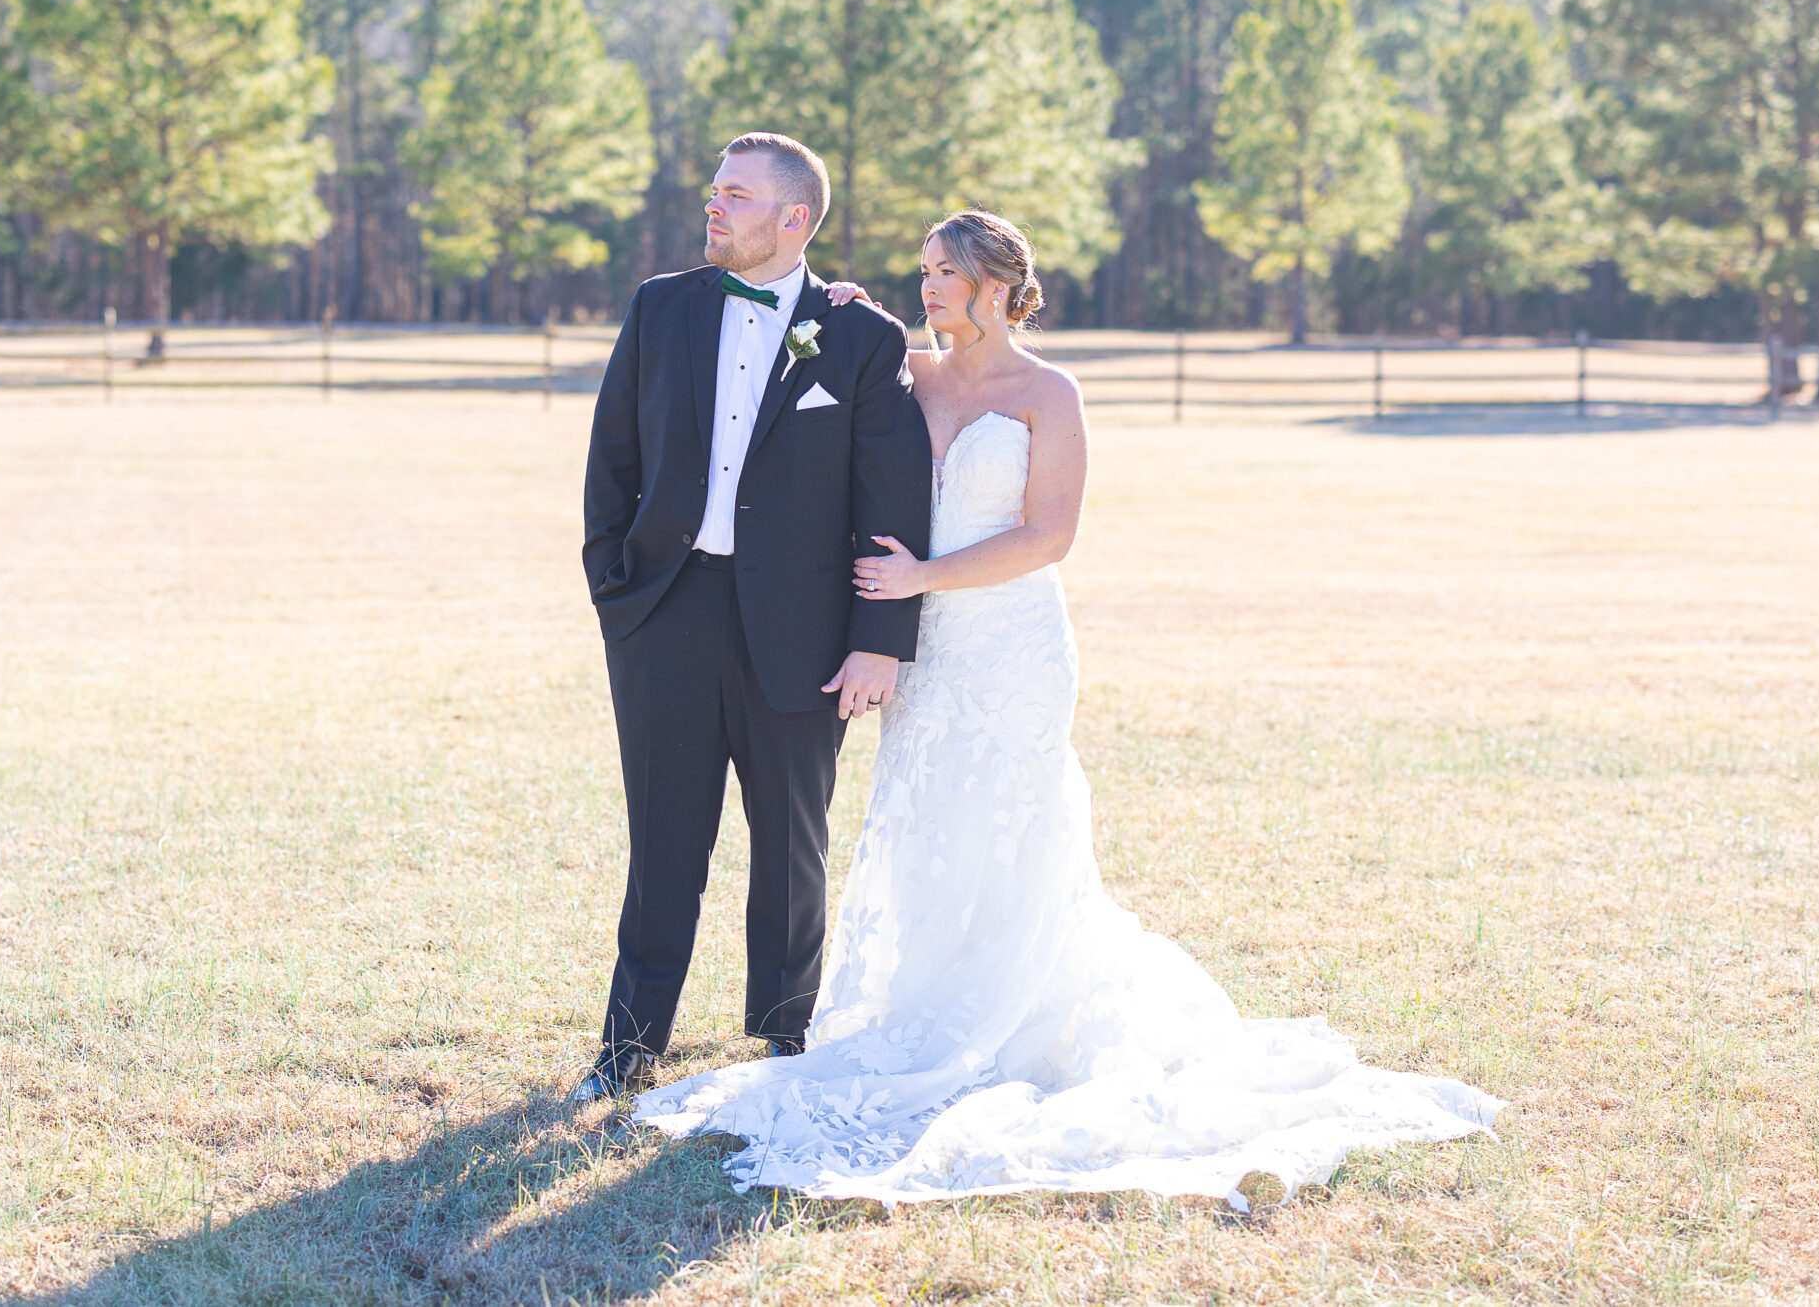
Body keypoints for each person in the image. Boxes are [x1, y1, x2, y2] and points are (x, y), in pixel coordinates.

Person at [630, 209, 1501, 1206]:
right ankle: (930, 1011)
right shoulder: (904, 372)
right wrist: (841, 311)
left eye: (946, 272)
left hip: (1010, 645)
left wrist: (924, 573)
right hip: (926, 653)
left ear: (999, 284)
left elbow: (1050, 535)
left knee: (1013, 823)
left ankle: (1018, 1019)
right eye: (921, 272)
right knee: (927, 826)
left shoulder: (1049, 394)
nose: (929, 288)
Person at [575, 133, 933, 1103]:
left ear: (795, 218)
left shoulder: (859, 336)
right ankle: (627, 1046)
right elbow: (612, 457)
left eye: (735, 196)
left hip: (805, 630)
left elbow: (892, 501)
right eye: (713, 194)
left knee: (791, 843)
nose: (713, 208)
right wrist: (616, 590)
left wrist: (878, 641)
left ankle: (786, 1041)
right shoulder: (661, 308)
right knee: (663, 842)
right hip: (664, 613)